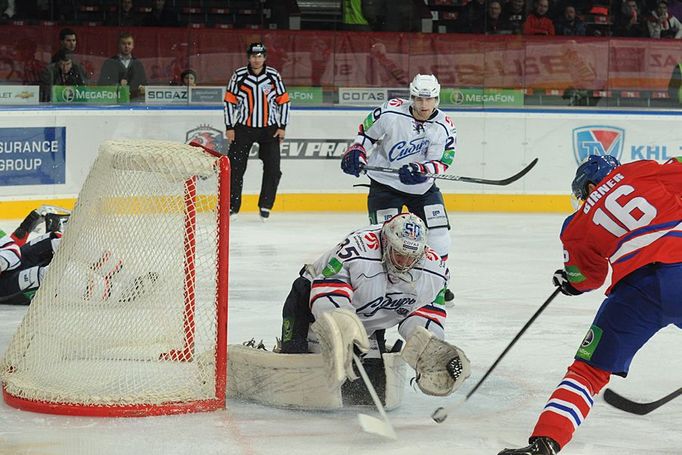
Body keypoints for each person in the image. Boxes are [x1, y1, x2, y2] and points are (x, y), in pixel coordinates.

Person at [498, 154, 682, 454]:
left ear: (590, 186)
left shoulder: (576, 224)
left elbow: (587, 279)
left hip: (633, 291)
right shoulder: (641, 170)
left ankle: (545, 442)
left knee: (587, 371)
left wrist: (570, 283)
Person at [279, 212, 470, 401]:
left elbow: (425, 314)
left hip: (370, 322)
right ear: (386, 242)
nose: (404, 263)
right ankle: (292, 349)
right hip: (310, 307)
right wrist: (344, 331)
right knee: (302, 375)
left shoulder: (435, 271)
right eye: (399, 254)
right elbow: (327, 294)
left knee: (371, 391)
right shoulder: (357, 250)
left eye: (411, 257)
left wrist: (428, 347)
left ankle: (365, 342)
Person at [340, 74, 456, 303]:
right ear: (411, 97)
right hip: (384, 184)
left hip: (422, 188)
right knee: (385, 237)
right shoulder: (391, 111)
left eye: (429, 100)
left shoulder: (445, 126)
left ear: (437, 99)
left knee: (439, 232)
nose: (424, 105)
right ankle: (384, 283)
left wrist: (421, 170)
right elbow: (366, 133)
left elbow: (443, 160)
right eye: (419, 99)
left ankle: (439, 282)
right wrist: (356, 151)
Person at [223, 42, 290, 222]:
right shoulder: (239, 75)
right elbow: (229, 101)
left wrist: (282, 126)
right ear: (249, 57)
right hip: (243, 128)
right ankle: (232, 207)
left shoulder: (273, 76)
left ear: (265, 57)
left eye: (260, 56)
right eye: (253, 56)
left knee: (273, 168)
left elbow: (284, 100)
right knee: (235, 168)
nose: (256, 59)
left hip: (270, 129)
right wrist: (229, 127)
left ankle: (265, 205)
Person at [0, 206, 69, 305]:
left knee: (55, 240)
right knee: (46, 276)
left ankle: (97, 263)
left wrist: (25, 227)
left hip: (12, 265)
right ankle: (93, 285)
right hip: (4, 287)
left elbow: (12, 249)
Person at [98, 32, 147, 100]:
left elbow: (144, 84)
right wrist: (117, 86)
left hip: (135, 102)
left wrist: (143, 88)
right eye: (123, 43)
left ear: (133, 46)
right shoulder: (109, 63)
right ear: (118, 45)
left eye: (129, 43)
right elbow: (101, 84)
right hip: (113, 101)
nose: (126, 46)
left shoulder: (138, 64)